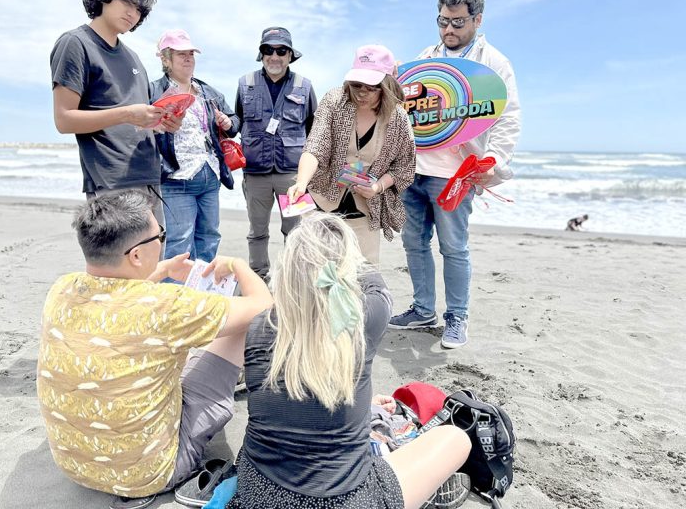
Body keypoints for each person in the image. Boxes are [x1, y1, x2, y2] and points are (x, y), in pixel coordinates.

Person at [36, 190, 273, 509]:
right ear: (135, 255)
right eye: (159, 236)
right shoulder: (165, 306)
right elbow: (263, 307)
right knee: (236, 329)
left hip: (75, 467)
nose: (162, 241)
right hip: (150, 474)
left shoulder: (62, 288)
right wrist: (239, 265)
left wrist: (159, 272)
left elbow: (121, 299)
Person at [226, 212, 471, 509]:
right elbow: (372, 279)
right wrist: (343, 242)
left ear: (285, 270)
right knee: (456, 439)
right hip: (346, 500)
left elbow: (302, 399)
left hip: (260, 495)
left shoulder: (259, 327)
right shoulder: (363, 319)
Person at [390, 0, 521, 349]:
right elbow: (403, 109)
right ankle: (422, 309)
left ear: (478, 20)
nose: (449, 29)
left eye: (458, 22)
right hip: (414, 168)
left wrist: (493, 159)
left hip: (455, 175)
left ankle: (457, 317)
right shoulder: (426, 57)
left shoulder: (494, 63)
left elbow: (508, 116)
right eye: (443, 21)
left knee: (454, 247)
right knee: (414, 243)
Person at [50, 0, 174, 222]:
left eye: (139, 9)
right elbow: (64, 119)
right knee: (120, 262)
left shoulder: (134, 58)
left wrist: (164, 122)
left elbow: (142, 119)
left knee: (155, 262)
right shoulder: (76, 44)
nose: (133, 13)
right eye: (127, 2)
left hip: (150, 176)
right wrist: (127, 114)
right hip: (112, 181)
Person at [287, 44, 415, 265]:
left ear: (385, 85)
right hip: (322, 198)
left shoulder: (398, 118)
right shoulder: (335, 101)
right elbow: (315, 144)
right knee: (314, 268)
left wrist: (377, 187)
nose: (362, 93)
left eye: (371, 87)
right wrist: (301, 182)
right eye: (356, 85)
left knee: (362, 272)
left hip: (365, 206)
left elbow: (404, 167)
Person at [235, 27, 317, 280]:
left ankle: (296, 279)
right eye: (267, 50)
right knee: (257, 230)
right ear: (261, 54)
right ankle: (259, 277)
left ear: (290, 55)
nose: (274, 56)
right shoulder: (245, 83)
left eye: (281, 51)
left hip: (292, 175)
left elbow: (314, 128)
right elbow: (237, 120)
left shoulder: (305, 86)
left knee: (296, 231)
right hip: (255, 172)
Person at [150, 29, 239, 262]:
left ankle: (202, 291)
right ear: (165, 59)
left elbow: (235, 122)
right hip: (176, 178)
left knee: (210, 237)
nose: (188, 58)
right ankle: (176, 296)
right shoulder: (153, 91)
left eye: (191, 53)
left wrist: (228, 122)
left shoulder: (208, 91)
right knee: (180, 242)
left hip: (210, 175)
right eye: (181, 54)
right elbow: (140, 129)